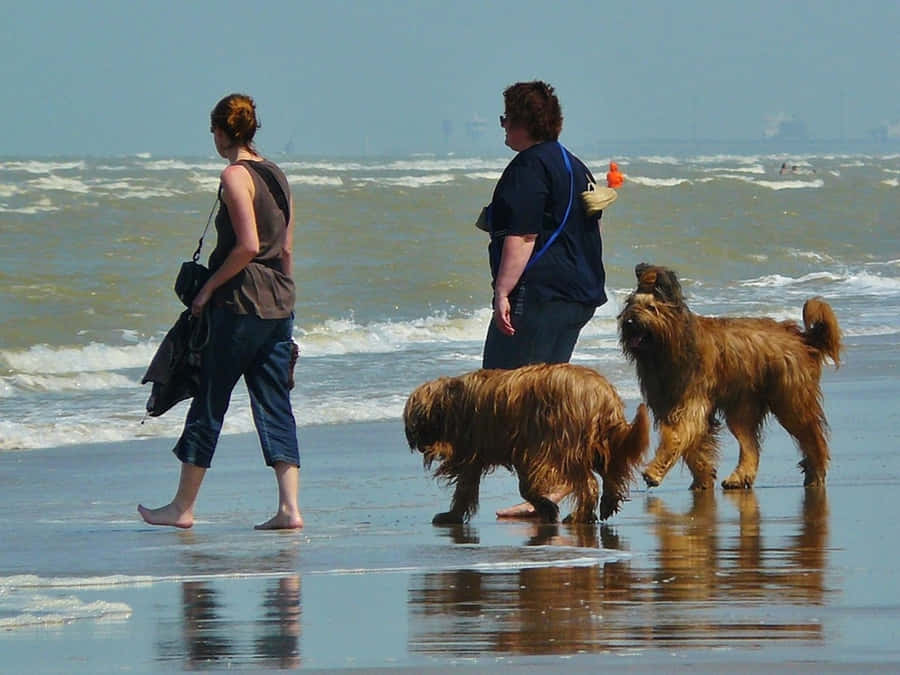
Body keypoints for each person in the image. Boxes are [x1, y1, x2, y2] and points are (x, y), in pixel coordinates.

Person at [138, 93, 302, 530]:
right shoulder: (276, 175)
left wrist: (207, 289)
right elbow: (283, 247)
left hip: (239, 305)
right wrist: (288, 300)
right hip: (278, 303)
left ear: (222, 132)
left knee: (210, 400)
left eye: (212, 130)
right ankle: (290, 509)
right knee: (275, 403)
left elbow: (247, 246)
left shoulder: (235, 176)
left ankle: (181, 507)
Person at [482, 81, 609, 517]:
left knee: (505, 391)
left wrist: (502, 291)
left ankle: (549, 487)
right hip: (579, 294)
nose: (502, 127)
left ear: (523, 122)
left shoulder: (528, 167)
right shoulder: (574, 165)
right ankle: (558, 481)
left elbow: (523, 234)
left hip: (540, 295)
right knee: (548, 393)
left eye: (506, 119)